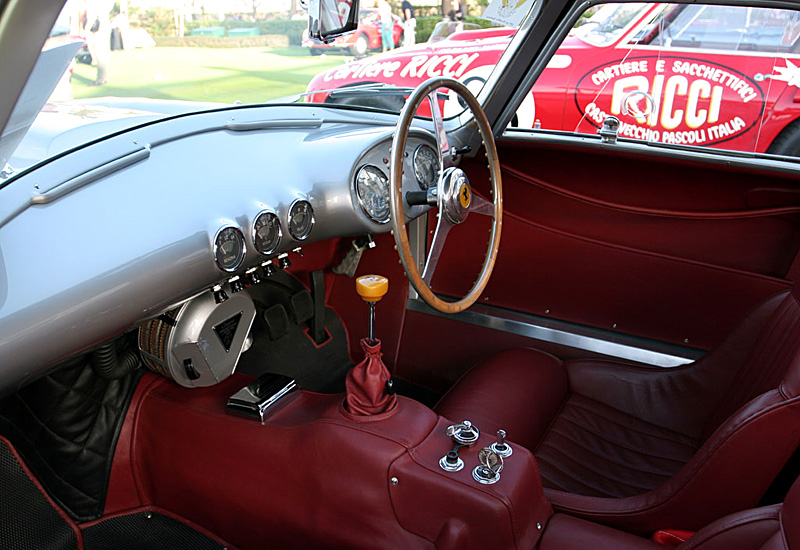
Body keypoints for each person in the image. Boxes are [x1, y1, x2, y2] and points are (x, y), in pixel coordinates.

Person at [84, 0, 112, 85]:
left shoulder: (93, 3)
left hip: (97, 28)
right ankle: (103, 77)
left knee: (99, 54)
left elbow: (92, 15)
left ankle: (101, 79)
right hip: (104, 26)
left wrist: (87, 28)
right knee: (103, 54)